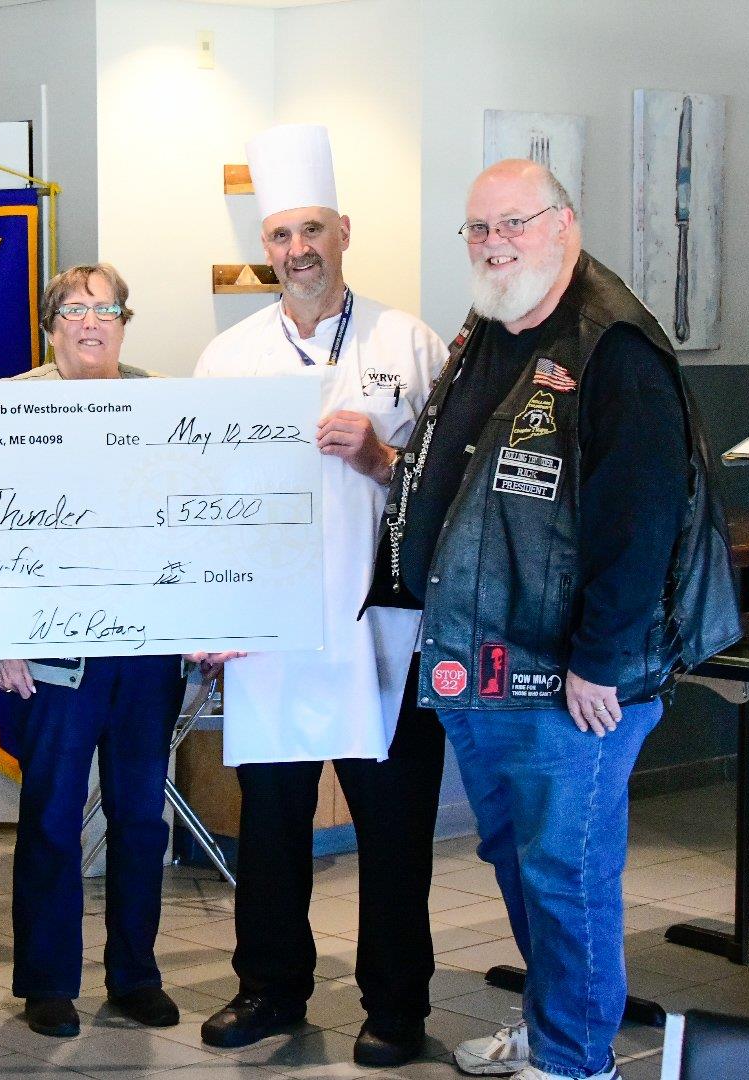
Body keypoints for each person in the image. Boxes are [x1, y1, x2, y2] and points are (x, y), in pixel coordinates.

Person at [368, 159, 740, 1080]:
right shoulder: (492, 325)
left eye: (515, 223)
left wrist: (601, 661)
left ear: (564, 224)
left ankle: (577, 1060)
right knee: (522, 859)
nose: (494, 243)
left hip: (572, 677)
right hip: (487, 658)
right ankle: (552, 1027)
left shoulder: (615, 346)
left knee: (567, 872)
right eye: (479, 227)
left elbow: (642, 520)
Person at [190, 123, 449, 1068]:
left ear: (343, 231)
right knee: (271, 821)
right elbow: (203, 502)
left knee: (394, 826)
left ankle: (396, 1004)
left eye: (311, 230)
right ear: (265, 247)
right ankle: (269, 986)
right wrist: (211, 614)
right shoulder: (228, 359)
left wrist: (380, 458)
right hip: (275, 629)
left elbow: (450, 487)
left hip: (389, 627)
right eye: (280, 235)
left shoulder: (409, 342)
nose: (297, 250)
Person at [0, 263, 187, 1039]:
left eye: (107, 309)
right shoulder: (8, 405)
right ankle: (47, 982)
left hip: (145, 651)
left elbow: (195, 516)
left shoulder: (165, 401)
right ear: (50, 326)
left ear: (124, 323)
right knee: (50, 817)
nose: (92, 323)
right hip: (52, 653)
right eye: (75, 309)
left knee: (140, 819)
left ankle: (135, 975)